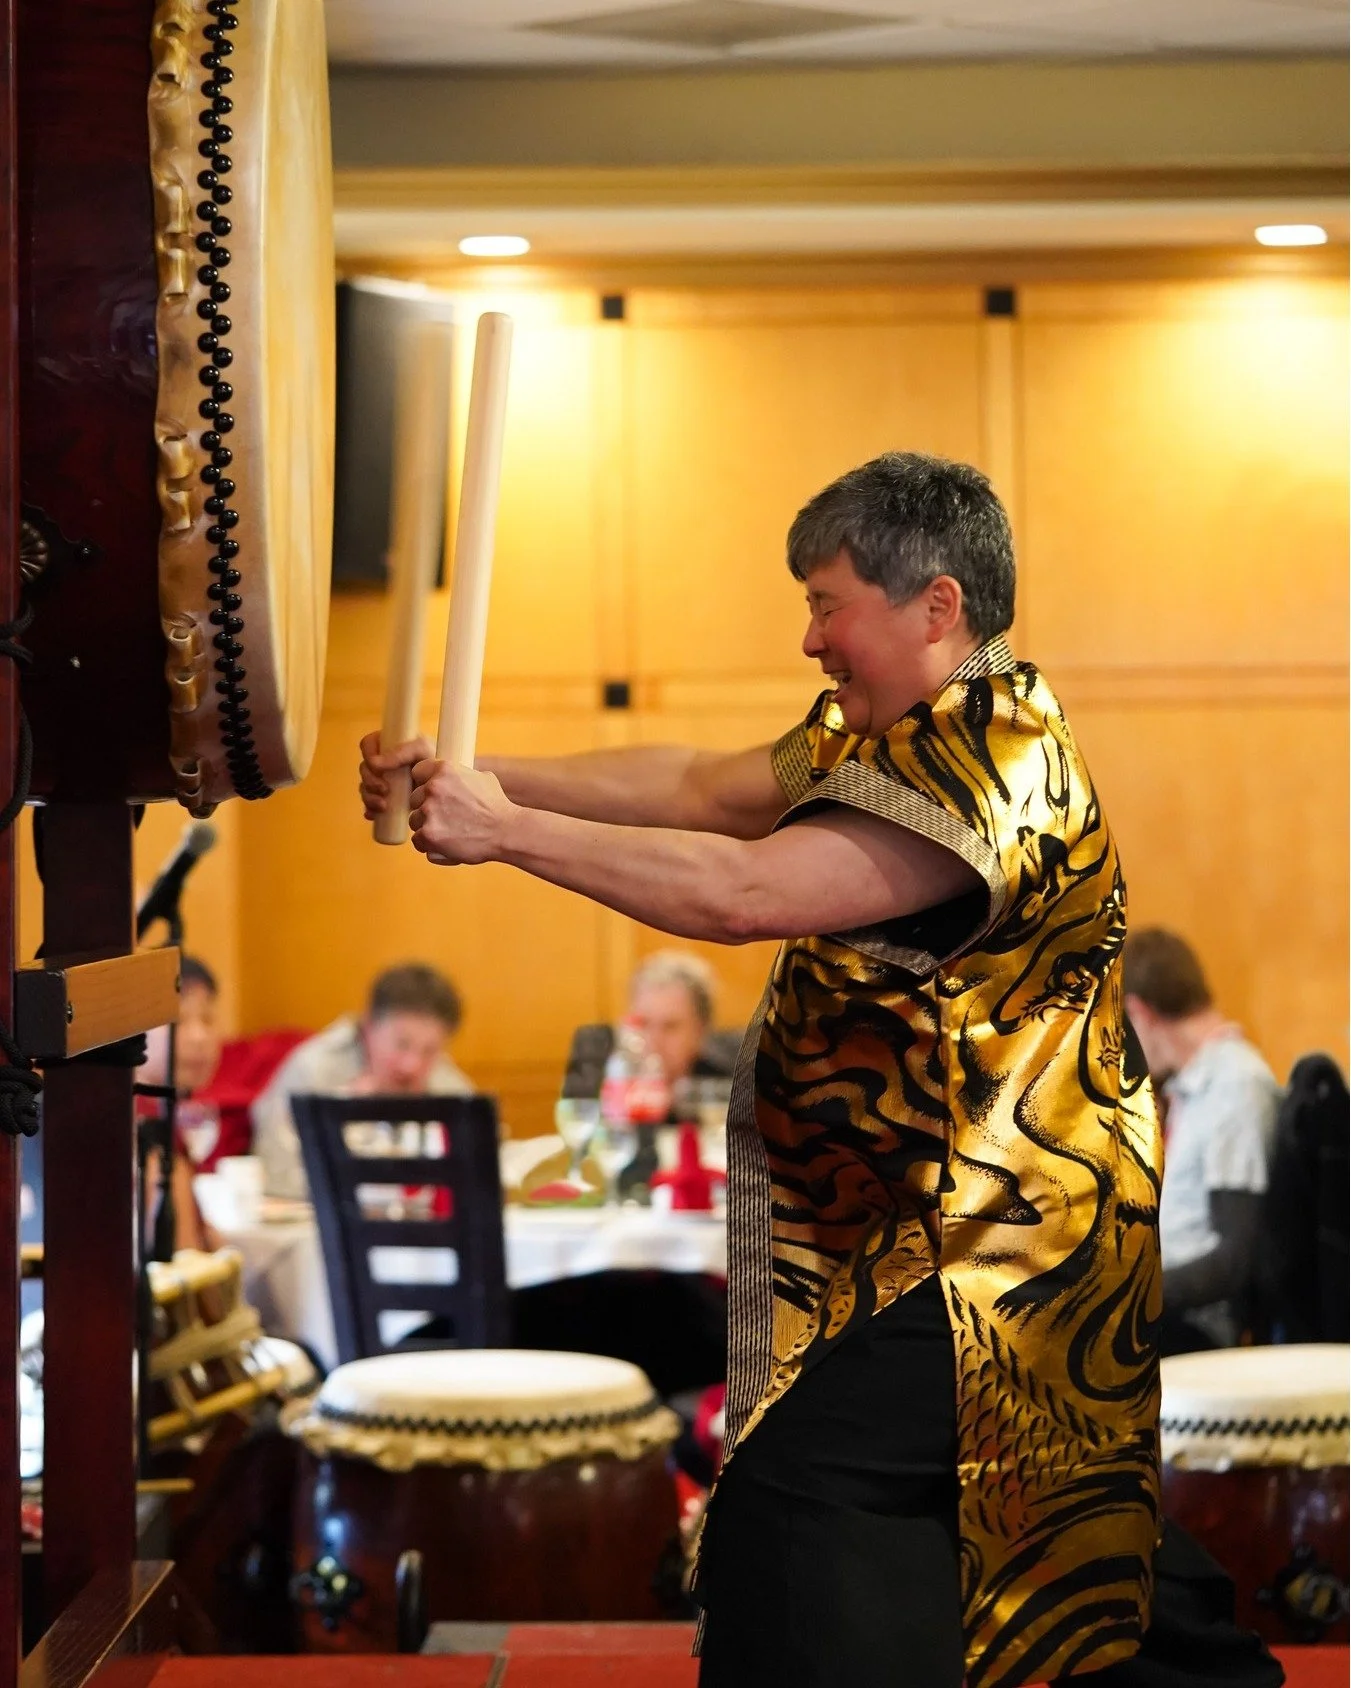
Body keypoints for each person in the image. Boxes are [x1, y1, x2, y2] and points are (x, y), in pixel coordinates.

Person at [359, 453, 1181, 1688]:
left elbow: (746, 893)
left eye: (825, 602)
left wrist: (504, 834)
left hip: (1000, 1249)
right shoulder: (902, 734)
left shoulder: (993, 766)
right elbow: (699, 787)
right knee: (1028, 1531)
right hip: (926, 1237)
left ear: (936, 607)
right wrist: (480, 775)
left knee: (800, 1503)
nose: (808, 639)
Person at [1123, 928, 1281, 1354]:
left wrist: (1127, 1297)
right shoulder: (1195, 1087)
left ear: (1139, 1013)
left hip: (1199, 1327)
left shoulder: (1235, 1086)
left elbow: (1234, 1261)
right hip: (1172, 1312)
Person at [250, 962, 472, 1201]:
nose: (412, 1065)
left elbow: (476, 1179)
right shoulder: (314, 1071)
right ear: (369, 1026)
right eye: (402, 1044)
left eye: (430, 1051)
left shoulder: (449, 1085)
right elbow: (274, 1173)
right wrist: (343, 1125)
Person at [139, 955, 226, 1254]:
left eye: (208, 1019)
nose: (200, 1037)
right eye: (178, 1020)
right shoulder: (144, 1133)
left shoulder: (163, 1117)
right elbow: (184, 1266)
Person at [627, 950, 724, 1089]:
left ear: (700, 1031)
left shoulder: (731, 1096)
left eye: (670, 1027)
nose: (653, 1042)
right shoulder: (601, 1091)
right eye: (643, 1024)